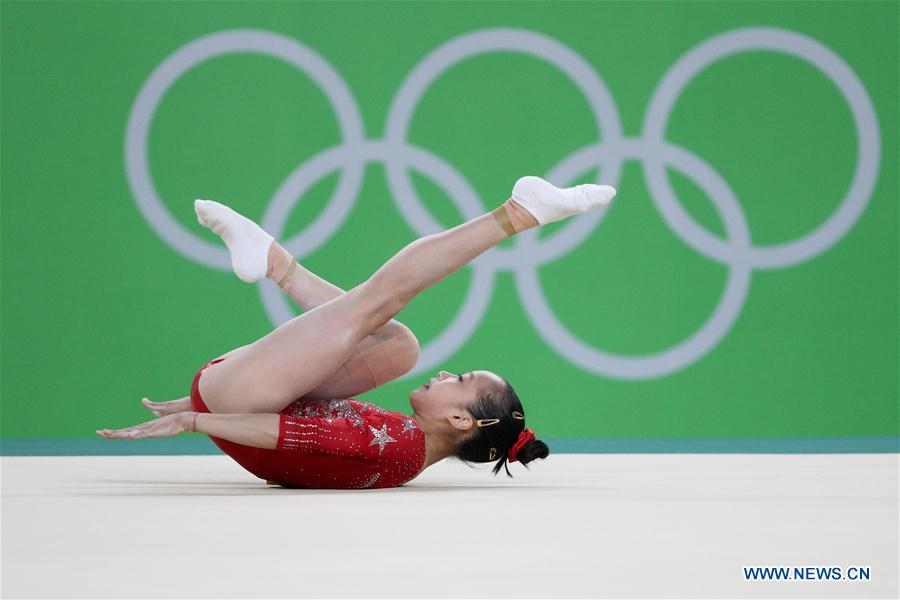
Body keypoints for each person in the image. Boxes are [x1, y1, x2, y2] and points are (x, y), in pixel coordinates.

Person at [97, 176, 616, 488]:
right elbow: (305, 422)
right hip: (246, 394)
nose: (446, 373)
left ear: (461, 419)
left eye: (460, 379)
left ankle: (517, 214)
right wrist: (206, 401)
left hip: (239, 404)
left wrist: (196, 419)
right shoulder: (409, 447)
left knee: (380, 300)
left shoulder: (397, 448)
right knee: (399, 346)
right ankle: (274, 262)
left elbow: (287, 435)